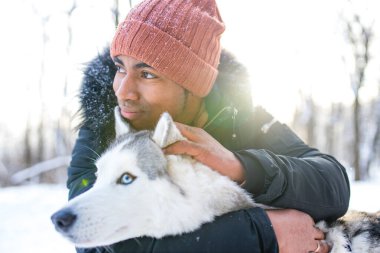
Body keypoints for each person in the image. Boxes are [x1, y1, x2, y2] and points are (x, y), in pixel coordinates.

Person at [67, 0, 350, 252]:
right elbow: (99, 243)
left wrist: (241, 166)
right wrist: (264, 233)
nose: (123, 91)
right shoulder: (107, 124)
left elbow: (333, 187)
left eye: (147, 74)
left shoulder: (240, 116)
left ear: (195, 85)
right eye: (120, 68)